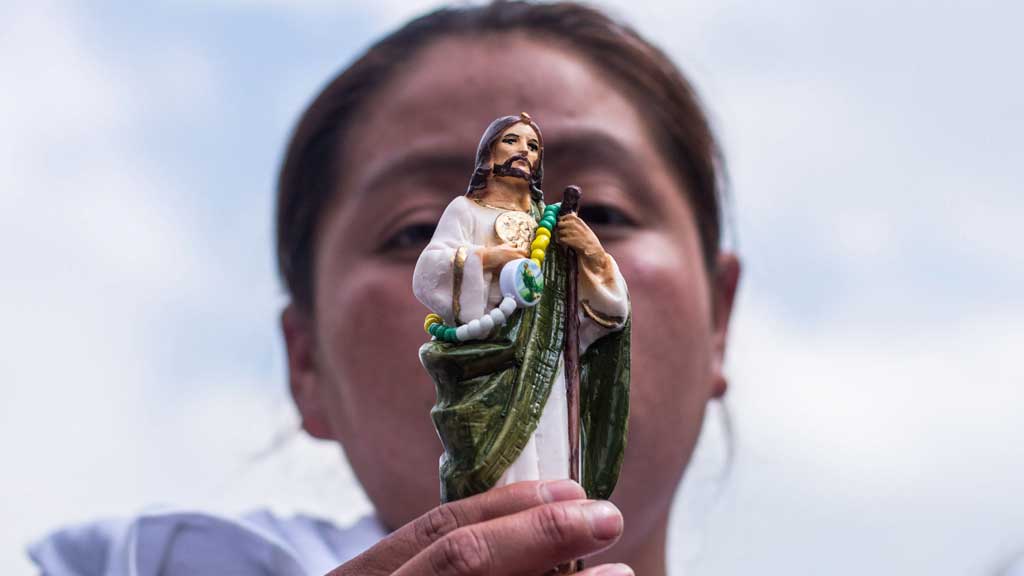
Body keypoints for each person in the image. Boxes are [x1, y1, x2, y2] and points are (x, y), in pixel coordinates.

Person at [30, 2, 740, 575]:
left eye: (609, 213)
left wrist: (570, 255)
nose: (527, 165)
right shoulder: (167, 566)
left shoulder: (551, 232)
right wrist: (487, 275)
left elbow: (599, 295)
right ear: (306, 362)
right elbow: (442, 274)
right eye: (404, 227)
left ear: (720, 320)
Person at [412, 112, 630, 503]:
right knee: (487, 476)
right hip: (486, 364)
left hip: (545, 369)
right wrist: (487, 258)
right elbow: (429, 272)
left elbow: (606, 313)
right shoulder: (466, 212)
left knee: (551, 461)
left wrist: (592, 252)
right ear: (489, 152)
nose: (522, 152)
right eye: (512, 141)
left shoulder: (552, 221)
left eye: (532, 146)